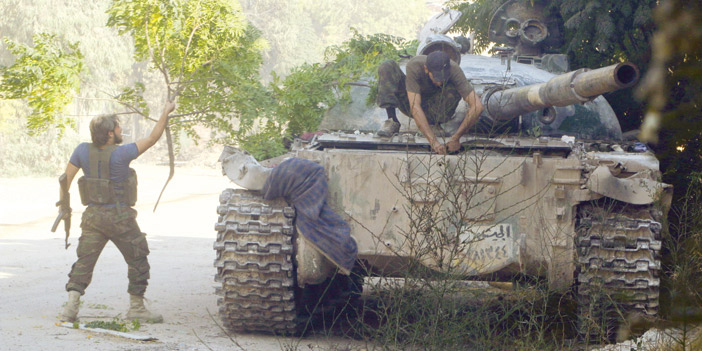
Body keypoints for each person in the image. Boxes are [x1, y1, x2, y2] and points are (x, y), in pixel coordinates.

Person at [59, 100, 176, 324]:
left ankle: (70, 308)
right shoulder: (122, 154)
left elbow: (65, 180)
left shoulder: (82, 150)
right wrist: (165, 112)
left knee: (84, 261)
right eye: (119, 128)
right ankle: (136, 308)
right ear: (111, 133)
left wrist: (65, 206)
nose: (122, 130)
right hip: (120, 218)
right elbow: (152, 138)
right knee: (138, 257)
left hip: (92, 218)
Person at [376, 50, 484, 154]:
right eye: (436, 78)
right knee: (387, 66)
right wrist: (433, 142)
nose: (440, 82)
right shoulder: (414, 66)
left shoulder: (454, 70)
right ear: (426, 69)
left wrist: (456, 137)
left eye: (443, 78)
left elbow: (477, 106)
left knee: (453, 89)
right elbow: (415, 107)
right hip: (410, 103)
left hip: (437, 107)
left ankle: (434, 124)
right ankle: (392, 120)